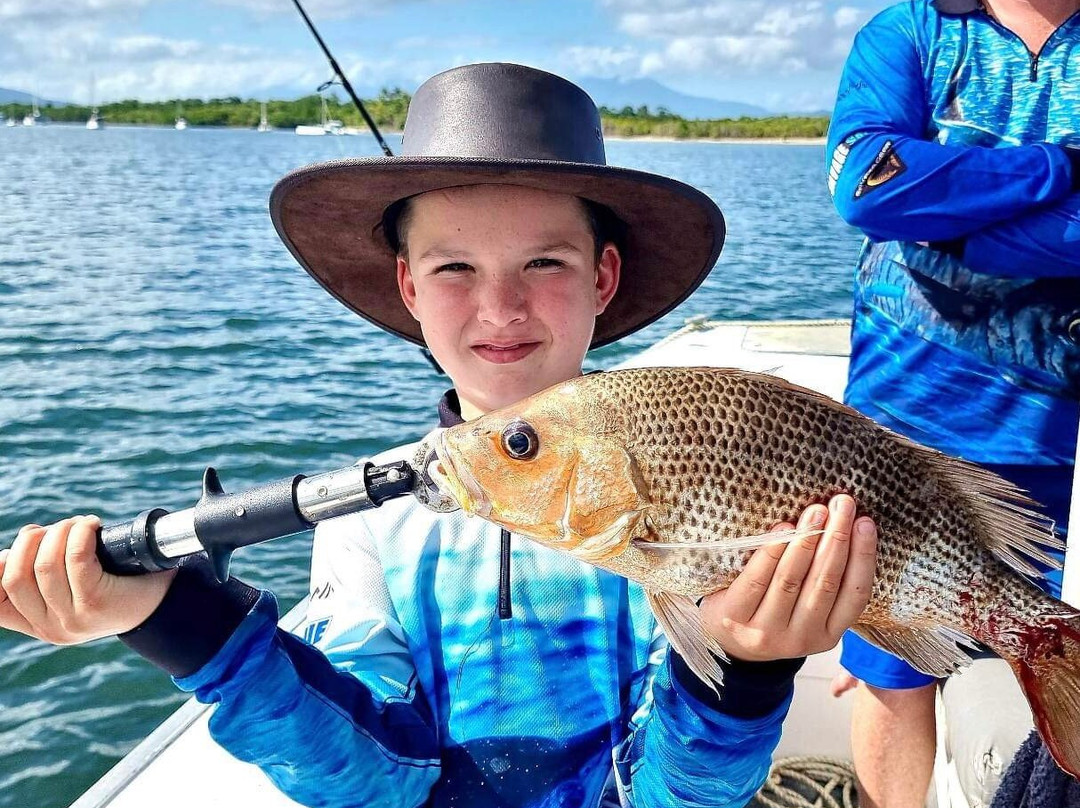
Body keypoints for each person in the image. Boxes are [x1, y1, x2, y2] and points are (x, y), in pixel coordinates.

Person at [0, 63, 880, 807]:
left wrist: (744, 667)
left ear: (603, 277)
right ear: (409, 288)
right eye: (453, 267)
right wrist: (176, 621)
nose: (500, 307)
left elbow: (681, 791)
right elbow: (372, 780)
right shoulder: (364, 520)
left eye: (545, 262)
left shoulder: (669, 477)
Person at [825, 2, 1080, 806]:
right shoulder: (909, 31)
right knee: (890, 671)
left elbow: (909, 198)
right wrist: (1060, 169)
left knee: (1047, 663)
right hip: (898, 430)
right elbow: (867, 184)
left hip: (1059, 439)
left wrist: (961, 230)